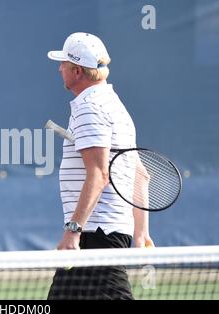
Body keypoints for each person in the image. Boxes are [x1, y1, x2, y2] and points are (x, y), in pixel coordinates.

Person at [46, 32, 154, 300]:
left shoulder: (89, 107)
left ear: (77, 71)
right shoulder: (115, 105)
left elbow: (99, 174)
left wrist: (73, 231)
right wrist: (141, 234)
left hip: (95, 235)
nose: (59, 68)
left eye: (64, 64)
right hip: (103, 232)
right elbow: (141, 175)